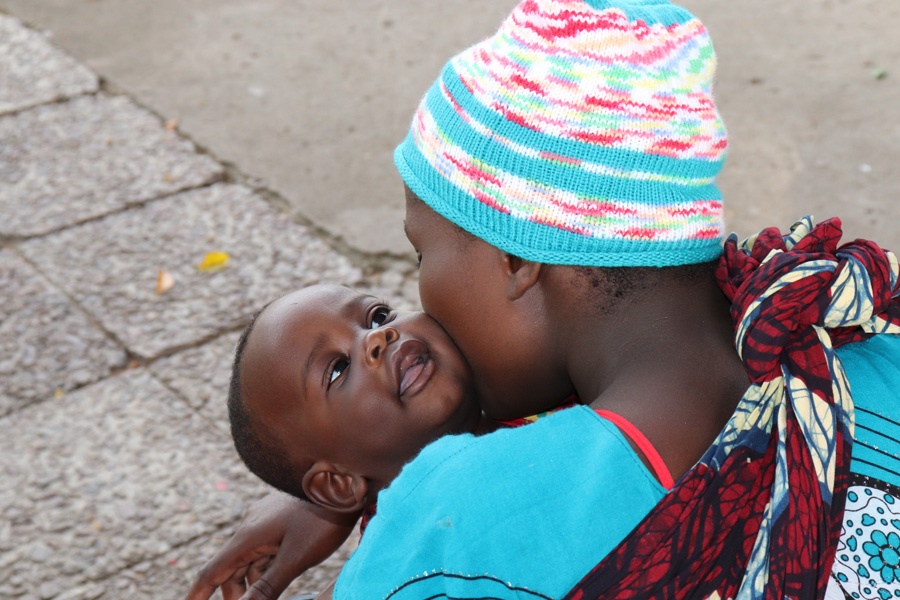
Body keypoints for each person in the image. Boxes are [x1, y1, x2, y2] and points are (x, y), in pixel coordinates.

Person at [187, 0, 900, 598]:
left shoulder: (455, 535)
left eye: (420, 253)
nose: (411, 312)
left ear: (517, 258)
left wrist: (404, 507)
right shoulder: (857, 339)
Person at [225, 282, 666, 599]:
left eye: (378, 316)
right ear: (338, 485)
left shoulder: (527, 388)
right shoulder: (412, 560)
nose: (379, 338)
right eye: (337, 369)